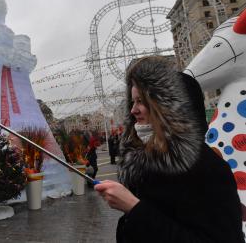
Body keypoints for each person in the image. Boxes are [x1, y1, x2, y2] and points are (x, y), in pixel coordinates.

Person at [94, 56, 244, 243]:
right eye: (133, 102)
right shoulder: (148, 162)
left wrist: (134, 208)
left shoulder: (208, 169)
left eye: (141, 101)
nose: (133, 110)